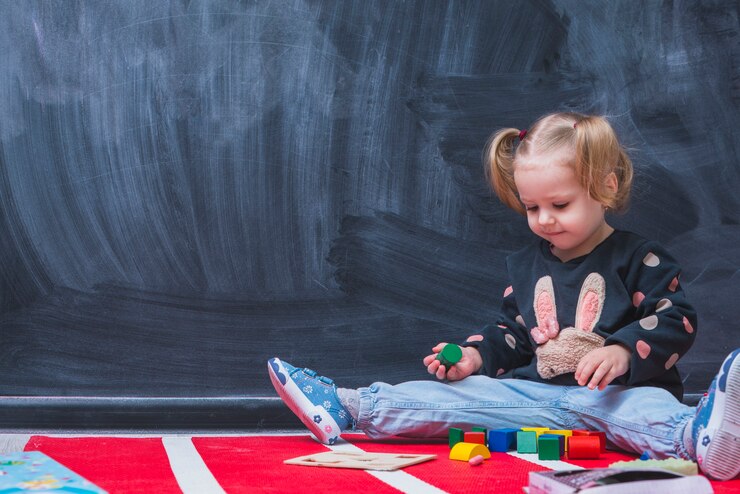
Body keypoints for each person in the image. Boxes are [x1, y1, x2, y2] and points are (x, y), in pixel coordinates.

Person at [267, 112, 739, 481]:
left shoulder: (640, 258)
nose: (544, 220)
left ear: (606, 187)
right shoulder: (526, 266)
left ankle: (696, 436)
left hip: (614, 398)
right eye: (532, 207)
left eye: (560, 205)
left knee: (647, 412)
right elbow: (512, 334)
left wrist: (620, 350)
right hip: (533, 398)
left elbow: (676, 317)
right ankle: (347, 406)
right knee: (454, 398)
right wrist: (473, 358)